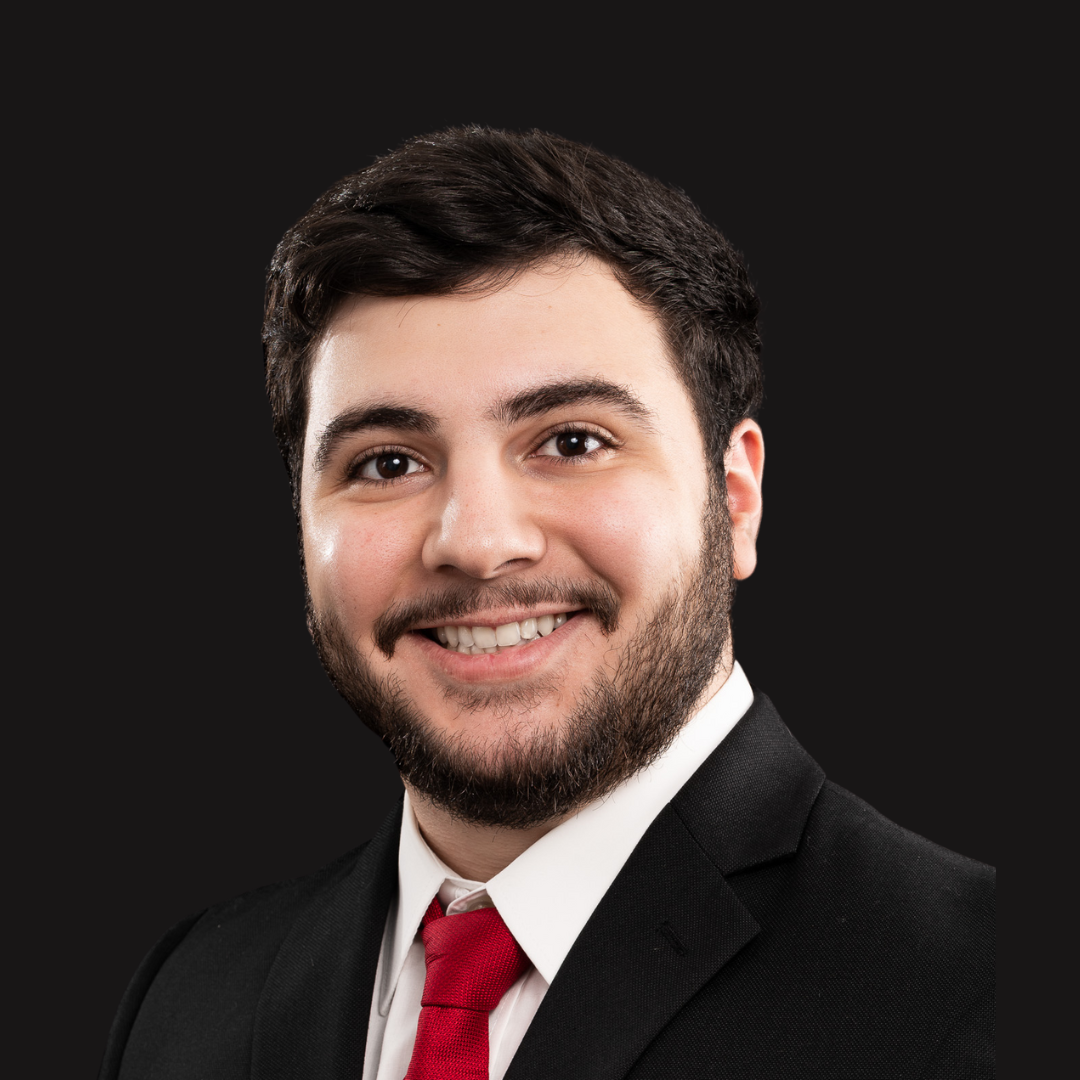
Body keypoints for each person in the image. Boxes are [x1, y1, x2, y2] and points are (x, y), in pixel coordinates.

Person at [99, 127, 994, 1079]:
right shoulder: (191, 997)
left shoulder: (988, 999)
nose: (478, 544)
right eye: (388, 462)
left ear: (734, 497)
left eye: (572, 442)